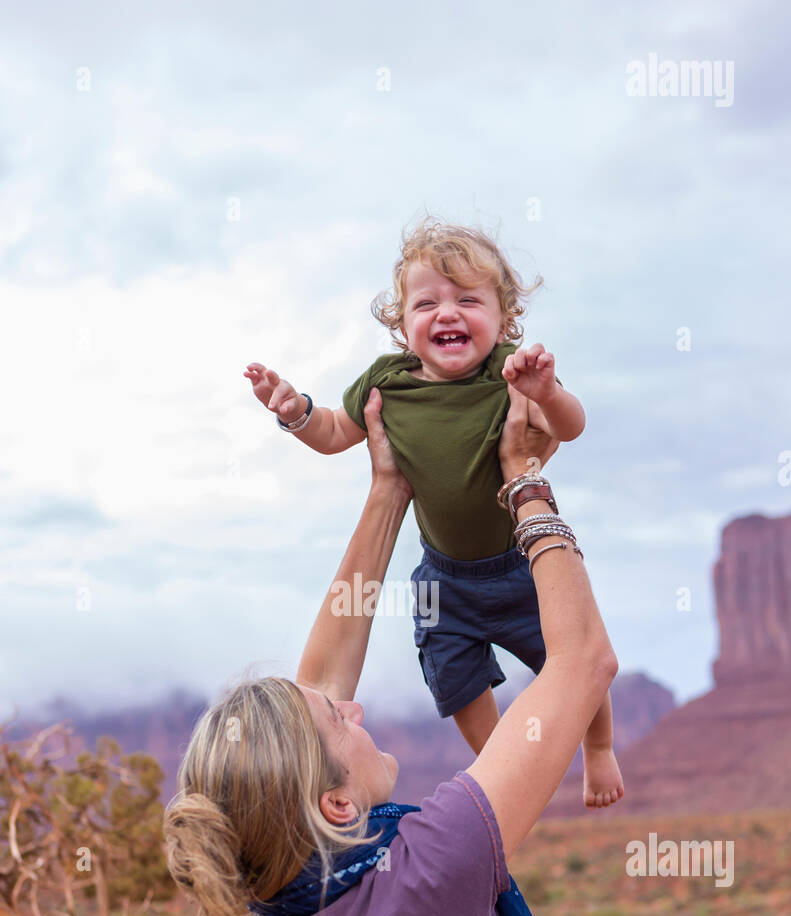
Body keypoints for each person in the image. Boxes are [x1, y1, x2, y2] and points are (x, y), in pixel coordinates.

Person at [163, 386, 631, 916]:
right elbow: (584, 663)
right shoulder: (432, 870)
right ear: (336, 805)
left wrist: (388, 490)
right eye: (341, 721)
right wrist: (526, 484)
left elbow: (318, 688)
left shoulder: (249, 905)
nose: (359, 711)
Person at [243, 215, 624, 809]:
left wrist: (547, 391)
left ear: (503, 320)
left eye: (468, 300)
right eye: (426, 303)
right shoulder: (386, 383)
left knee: (570, 653)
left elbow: (570, 428)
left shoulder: (511, 376)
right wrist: (294, 411)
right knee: (449, 669)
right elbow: (334, 433)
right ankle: (504, 763)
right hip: (442, 575)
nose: (447, 313)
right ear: (402, 325)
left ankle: (598, 749)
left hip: (517, 565)